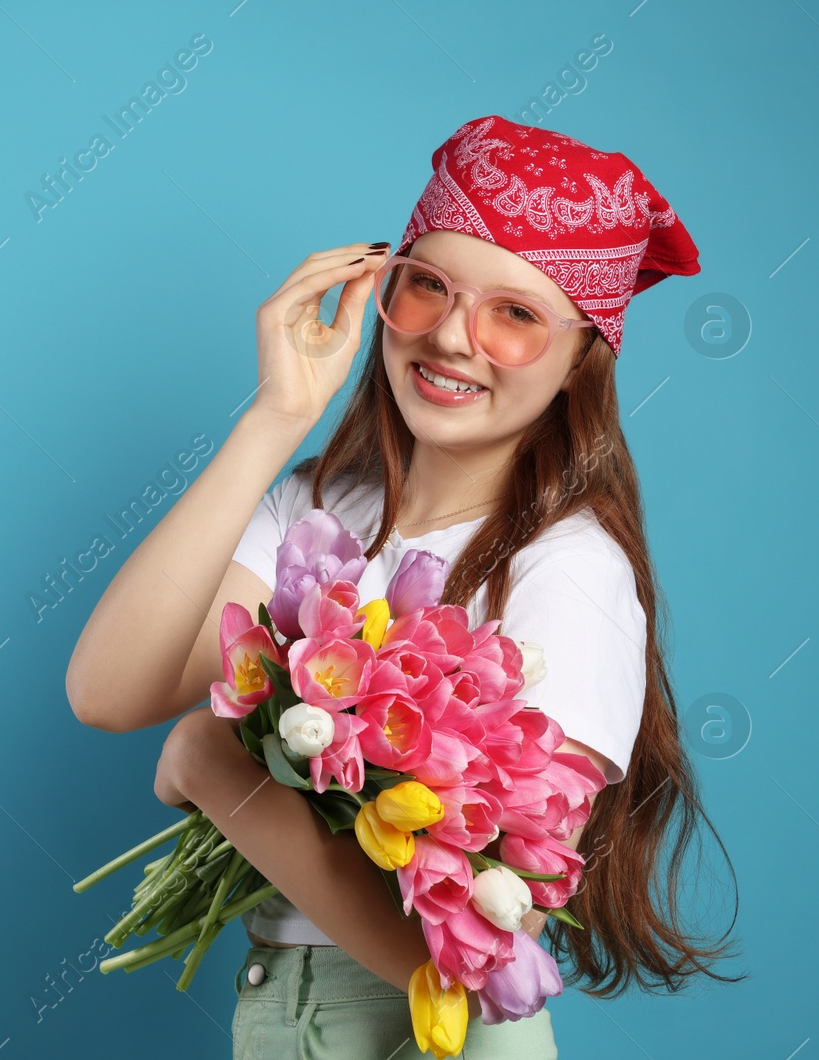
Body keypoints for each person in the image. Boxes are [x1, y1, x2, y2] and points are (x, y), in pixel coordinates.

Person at [66, 114, 743, 1058]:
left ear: (585, 354)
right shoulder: (318, 505)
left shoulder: (567, 570)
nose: (455, 338)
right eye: (429, 287)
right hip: (284, 1007)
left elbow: (478, 960)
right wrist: (276, 415)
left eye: (516, 315)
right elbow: (108, 691)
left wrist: (219, 768)